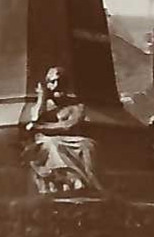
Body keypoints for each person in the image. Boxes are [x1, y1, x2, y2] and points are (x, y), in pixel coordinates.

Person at [23, 66, 102, 195]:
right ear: (47, 85)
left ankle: (88, 181)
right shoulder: (43, 106)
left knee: (87, 145)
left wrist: (41, 127)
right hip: (47, 140)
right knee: (53, 144)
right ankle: (71, 179)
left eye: (61, 82)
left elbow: (69, 126)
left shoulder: (76, 106)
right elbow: (36, 118)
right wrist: (42, 97)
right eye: (53, 82)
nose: (57, 85)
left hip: (71, 138)